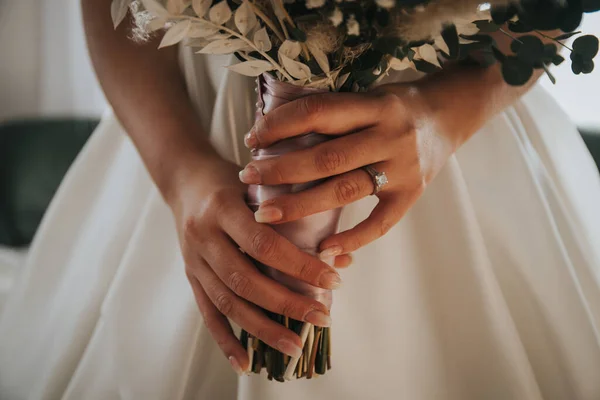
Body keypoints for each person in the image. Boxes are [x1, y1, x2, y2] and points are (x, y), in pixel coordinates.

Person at [1, 0, 600, 398]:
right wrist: (180, 173)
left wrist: (442, 120)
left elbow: (554, 8)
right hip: (192, 118)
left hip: (450, 119)